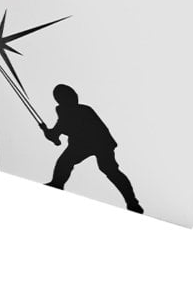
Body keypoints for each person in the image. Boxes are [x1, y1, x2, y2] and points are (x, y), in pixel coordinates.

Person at [40, 84, 143, 213]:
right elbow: (56, 137)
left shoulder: (79, 111)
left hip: (97, 142)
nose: (74, 97)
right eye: (70, 95)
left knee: (107, 169)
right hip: (89, 143)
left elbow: (56, 136)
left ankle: (132, 202)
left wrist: (48, 133)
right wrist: (47, 132)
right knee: (66, 162)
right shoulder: (70, 112)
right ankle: (57, 184)